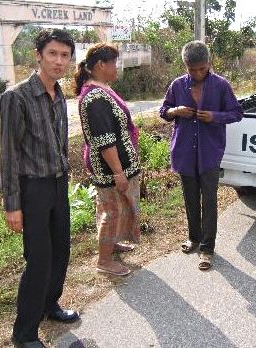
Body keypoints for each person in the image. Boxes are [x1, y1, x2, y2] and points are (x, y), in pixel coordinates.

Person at [0, 29, 79, 348]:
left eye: (65, 55)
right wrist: (12, 205)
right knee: (39, 260)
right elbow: (9, 155)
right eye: (53, 54)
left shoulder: (60, 95)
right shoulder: (16, 97)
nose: (59, 61)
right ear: (38, 55)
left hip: (59, 186)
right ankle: (24, 333)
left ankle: (50, 305)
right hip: (32, 191)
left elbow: (59, 144)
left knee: (61, 252)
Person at [160, 40, 243, 271]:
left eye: (202, 68)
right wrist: (175, 111)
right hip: (184, 152)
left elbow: (237, 113)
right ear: (185, 66)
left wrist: (215, 116)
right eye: (192, 69)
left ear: (209, 63)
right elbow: (163, 111)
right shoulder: (177, 86)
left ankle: (207, 248)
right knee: (190, 198)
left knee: (209, 200)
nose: (197, 73)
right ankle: (194, 238)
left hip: (210, 153)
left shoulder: (221, 86)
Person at [73, 43, 140, 277]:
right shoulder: (95, 98)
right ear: (101, 65)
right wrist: (118, 172)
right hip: (109, 168)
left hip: (117, 165)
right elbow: (105, 140)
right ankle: (104, 260)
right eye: (115, 63)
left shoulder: (103, 90)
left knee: (117, 208)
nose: (117, 68)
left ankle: (113, 244)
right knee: (111, 211)